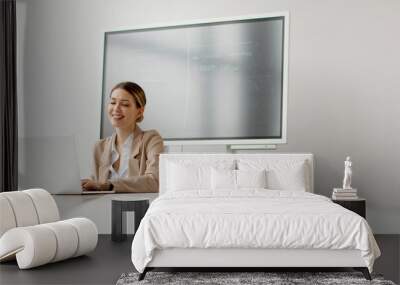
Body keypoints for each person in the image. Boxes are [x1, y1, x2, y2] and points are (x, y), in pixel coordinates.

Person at [81, 81, 164, 192]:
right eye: (113, 102)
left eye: (125, 104)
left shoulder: (151, 139)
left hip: (139, 207)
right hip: (102, 207)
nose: (116, 108)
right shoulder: (99, 147)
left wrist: (108, 185)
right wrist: (85, 185)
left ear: (139, 111)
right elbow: (97, 184)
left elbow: (154, 182)